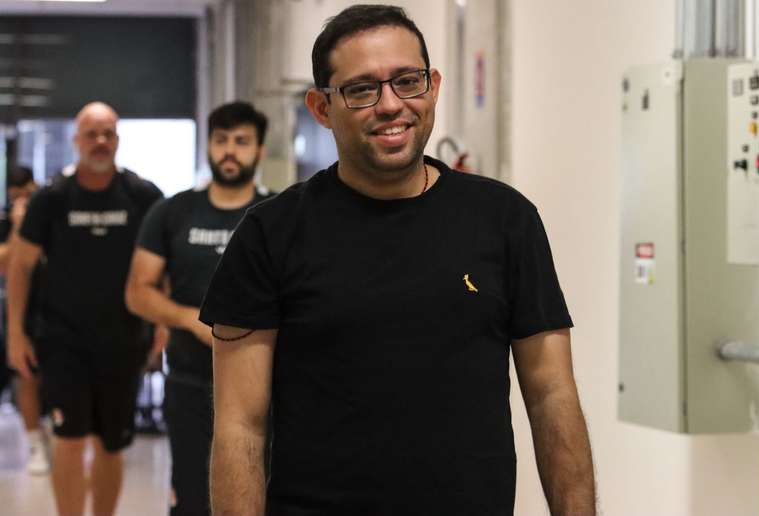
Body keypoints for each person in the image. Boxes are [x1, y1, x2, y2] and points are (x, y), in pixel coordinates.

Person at [200, 4, 596, 516]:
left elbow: (551, 396)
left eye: (407, 81)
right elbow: (240, 427)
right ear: (322, 108)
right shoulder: (270, 234)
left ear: (433, 86)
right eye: (362, 89)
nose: (390, 105)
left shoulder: (505, 220)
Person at [6, 101, 163, 516]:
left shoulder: (142, 195)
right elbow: (20, 266)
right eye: (91, 134)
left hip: (124, 339)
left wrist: (163, 327)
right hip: (62, 341)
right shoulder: (52, 197)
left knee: (111, 445)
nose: (100, 141)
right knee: (70, 440)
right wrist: (16, 333)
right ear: (76, 140)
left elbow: (165, 265)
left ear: (118, 140)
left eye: (108, 133)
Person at [125, 101, 273, 516]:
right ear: (208, 146)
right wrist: (189, 320)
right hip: (190, 383)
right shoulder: (172, 212)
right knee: (193, 497)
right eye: (221, 140)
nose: (230, 151)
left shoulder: (277, 214)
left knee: (263, 496)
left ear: (260, 150)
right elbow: (138, 291)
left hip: (268, 387)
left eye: (241, 141)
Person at [0, 165, 49, 475]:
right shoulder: (7, 221)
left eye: (27, 195)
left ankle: (59, 432)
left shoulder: (50, 210)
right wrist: (20, 227)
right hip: (23, 308)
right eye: (16, 197)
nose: (22, 201)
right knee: (25, 375)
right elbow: (5, 264)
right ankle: (34, 443)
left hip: (56, 305)